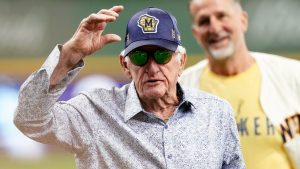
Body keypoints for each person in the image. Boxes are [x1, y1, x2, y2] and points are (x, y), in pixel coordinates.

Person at [13, 5, 245, 169]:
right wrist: (71, 54)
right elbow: (29, 119)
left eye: (163, 55)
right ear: (125, 64)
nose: (152, 68)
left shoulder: (216, 113)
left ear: (181, 61)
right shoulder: (95, 112)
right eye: (141, 57)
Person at [179, 0, 300, 169]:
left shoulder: (292, 76)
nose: (214, 27)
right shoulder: (180, 89)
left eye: (222, 16)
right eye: (204, 21)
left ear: (243, 20)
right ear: (196, 33)